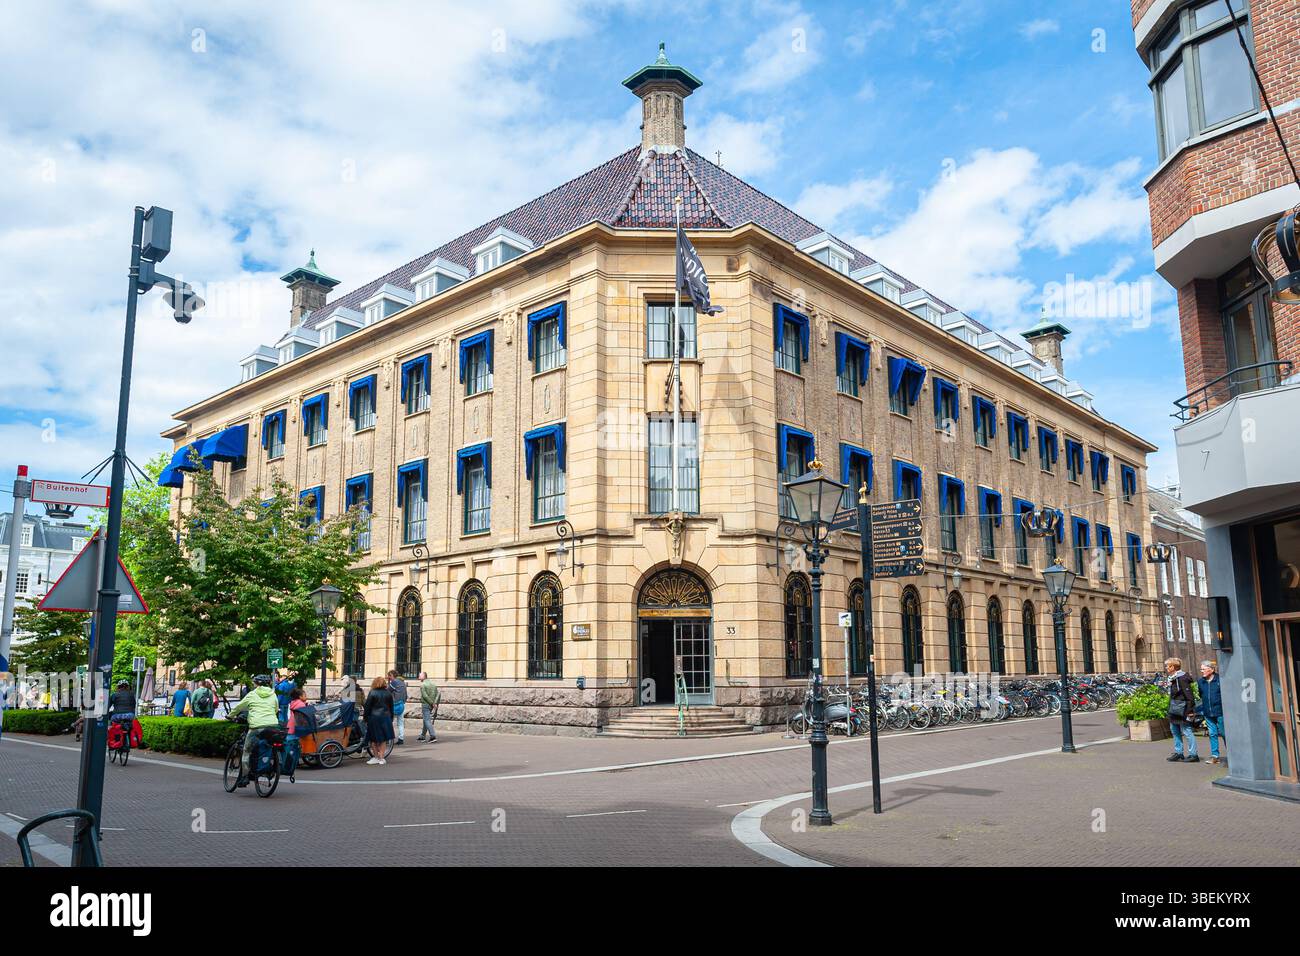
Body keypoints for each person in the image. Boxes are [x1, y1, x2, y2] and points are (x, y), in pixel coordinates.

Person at [227, 674, 282, 785]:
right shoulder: (273, 694)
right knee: (267, 746)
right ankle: (269, 766)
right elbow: (276, 709)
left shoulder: (252, 694)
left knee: (246, 751)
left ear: (257, 683)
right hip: (272, 725)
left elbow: (239, 707)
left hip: (256, 726)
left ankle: (245, 777)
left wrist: (230, 715)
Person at [1164, 657, 1199, 763]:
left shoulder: (1182, 678)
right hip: (1174, 709)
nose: (1166, 668)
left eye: (1167, 666)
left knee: (1187, 731)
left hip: (1183, 710)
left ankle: (1193, 754)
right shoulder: (1173, 678)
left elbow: (1189, 697)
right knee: (1174, 730)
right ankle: (1179, 753)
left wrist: (1190, 711)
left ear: (1173, 667)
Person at [1196, 660, 1225, 765]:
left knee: (1224, 733)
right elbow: (1201, 694)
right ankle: (1215, 756)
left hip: (1220, 711)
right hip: (1208, 712)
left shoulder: (1220, 680)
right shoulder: (1200, 682)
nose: (1201, 671)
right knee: (1212, 734)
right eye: (1201, 669)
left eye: (1203, 669)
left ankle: (1232, 755)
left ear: (1211, 669)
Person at [363, 676, 394, 766]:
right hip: (385, 717)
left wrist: (365, 718)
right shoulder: (388, 693)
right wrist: (391, 717)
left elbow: (367, 707)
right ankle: (382, 758)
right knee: (383, 739)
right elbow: (391, 707)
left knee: (373, 739)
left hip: (374, 718)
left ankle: (376, 757)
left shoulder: (372, 693)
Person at [387, 670, 408, 745]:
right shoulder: (403, 682)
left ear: (392, 675)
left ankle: (389, 739)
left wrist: (388, 683)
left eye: (389, 676)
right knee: (401, 722)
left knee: (389, 722)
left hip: (393, 705)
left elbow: (387, 691)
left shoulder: (394, 682)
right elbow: (406, 694)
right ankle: (401, 739)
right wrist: (403, 701)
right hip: (401, 704)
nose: (388, 677)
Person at [418, 671, 439, 742]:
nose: (418, 677)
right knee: (426, 719)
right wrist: (435, 703)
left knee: (427, 720)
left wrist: (432, 703)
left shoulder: (423, 685)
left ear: (424, 676)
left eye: (420, 676)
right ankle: (422, 735)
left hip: (426, 704)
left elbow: (425, 696)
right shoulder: (433, 684)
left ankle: (432, 736)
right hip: (431, 705)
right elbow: (438, 694)